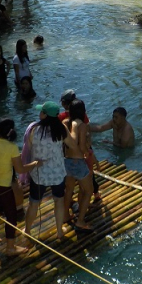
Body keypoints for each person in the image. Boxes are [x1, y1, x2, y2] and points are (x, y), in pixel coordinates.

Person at [22, 102, 81, 246]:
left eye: (41, 111)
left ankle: (28, 230)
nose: (39, 113)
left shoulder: (34, 129)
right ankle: (60, 232)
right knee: (59, 201)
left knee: (34, 204)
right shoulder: (60, 129)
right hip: (57, 174)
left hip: (39, 174)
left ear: (44, 115)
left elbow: (27, 149)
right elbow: (73, 145)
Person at [0, 117, 38, 255]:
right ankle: (10, 247)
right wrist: (36, 163)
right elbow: (20, 169)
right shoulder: (12, 147)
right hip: (2, 187)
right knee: (11, 216)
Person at [58, 89, 101, 202]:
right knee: (88, 181)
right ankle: (95, 193)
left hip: (67, 154)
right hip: (81, 154)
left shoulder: (61, 117)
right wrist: (89, 153)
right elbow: (86, 135)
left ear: (64, 103)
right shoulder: (82, 117)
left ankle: (68, 204)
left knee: (68, 185)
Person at [62, 99, 94, 233]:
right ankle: (80, 221)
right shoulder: (82, 126)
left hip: (66, 161)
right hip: (78, 162)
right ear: (83, 111)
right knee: (88, 191)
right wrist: (88, 152)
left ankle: (65, 216)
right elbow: (81, 146)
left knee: (69, 189)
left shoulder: (65, 123)